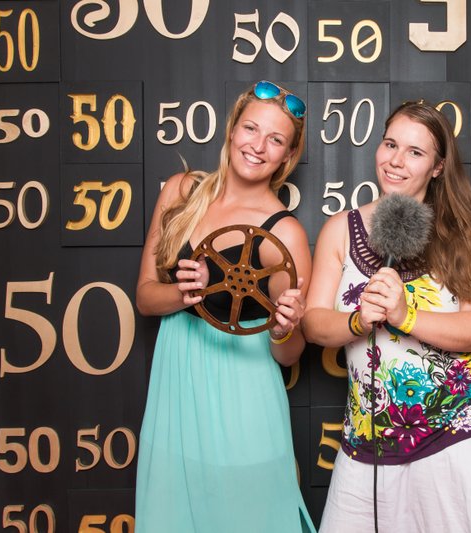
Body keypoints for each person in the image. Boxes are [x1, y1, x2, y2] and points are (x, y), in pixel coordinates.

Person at [303, 101, 471, 532]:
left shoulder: (467, 236)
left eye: (415, 152)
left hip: (455, 436)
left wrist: (406, 316)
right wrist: (357, 320)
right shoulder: (340, 229)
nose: (396, 161)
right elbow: (313, 323)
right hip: (367, 441)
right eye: (390, 144)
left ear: (438, 167)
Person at [135, 81, 315, 532]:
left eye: (275, 139)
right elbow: (145, 298)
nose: (258, 146)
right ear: (232, 129)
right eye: (250, 129)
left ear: (287, 155)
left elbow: (289, 354)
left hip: (244, 391)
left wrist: (284, 328)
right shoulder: (181, 192)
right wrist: (185, 294)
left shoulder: (285, 234)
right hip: (177, 383)